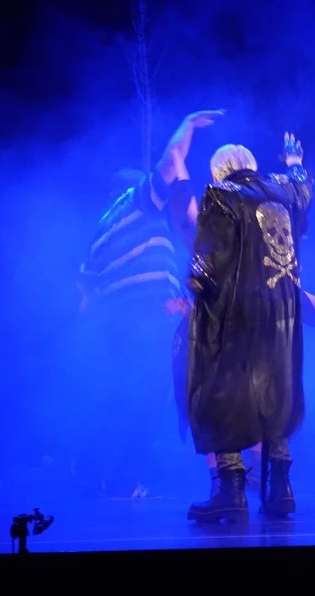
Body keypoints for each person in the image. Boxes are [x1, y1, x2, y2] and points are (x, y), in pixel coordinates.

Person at [77, 109, 224, 499]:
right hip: (145, 321)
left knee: (119, 397)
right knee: (149, 398)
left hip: (118, 325)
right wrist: (187, 125)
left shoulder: (99, 231)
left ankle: (92, 473)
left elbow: (86, 292)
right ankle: (124, 480)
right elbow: (168, 165)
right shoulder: (136, 204)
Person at [185, 139, 313, 523]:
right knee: (277, 392)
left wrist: (193, 286)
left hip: (236, 314)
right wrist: (295, 160)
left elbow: (209, 260)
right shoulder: (284, 191)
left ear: (218, 171)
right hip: (282, 312)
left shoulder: (220, 195)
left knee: (221, 395)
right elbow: (303, 188)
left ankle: (231, 491)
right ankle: (280, 489)